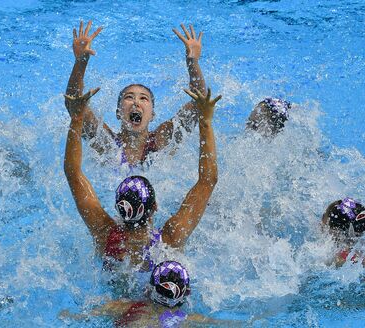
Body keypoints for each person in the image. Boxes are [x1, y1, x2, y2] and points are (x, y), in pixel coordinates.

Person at [64, 86, 220, 271]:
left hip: (112, 301)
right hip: (156, 300)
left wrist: (76, 119)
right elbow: (208, 180)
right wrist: (205, 121)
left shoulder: (105, 235)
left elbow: (73, 173)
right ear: (155, 207)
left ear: (118, 208)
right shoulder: (170, 239)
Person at [64, 20, 207, 167]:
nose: (136, 102)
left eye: (143, 98)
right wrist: (81, 62)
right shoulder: (107, 143)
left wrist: (193, 62)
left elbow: (200, 104)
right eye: (129, 97)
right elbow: (74, 106)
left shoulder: (161, 140)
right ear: (118, 113)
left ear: (152, 115)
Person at [60, 261, 237, 327]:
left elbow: (80, 317)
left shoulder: (126, 307)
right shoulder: (189, 320)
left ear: (148, 289)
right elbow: (231, 324)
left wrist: (69, 314)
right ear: (186, 294)